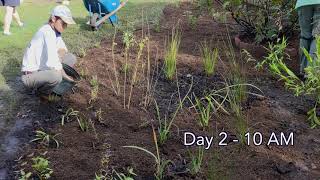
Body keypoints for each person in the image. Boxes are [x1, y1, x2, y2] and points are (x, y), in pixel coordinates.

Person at [21, 5, 76, 99]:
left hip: (43, 69)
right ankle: (42, 92)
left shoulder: (55, 31)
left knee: (71, 57)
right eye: (63, 23)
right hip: (30, 76)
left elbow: (63, 49)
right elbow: (54, 63)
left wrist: (58, 56)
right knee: (56, 76)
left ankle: (51, 82)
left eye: (66, 24)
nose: (65, 26)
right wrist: (68, 78)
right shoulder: (47, 33)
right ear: (54, 19)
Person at [296, 0, 320, 76]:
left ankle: (303, 69)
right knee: (317, 37)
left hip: (303, 3)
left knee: (305, 36)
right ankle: (310, 72)